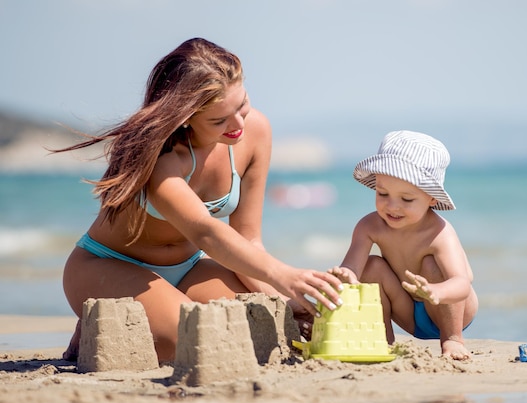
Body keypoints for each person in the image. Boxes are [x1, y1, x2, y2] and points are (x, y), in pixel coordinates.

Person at [55, 38, 344, 362]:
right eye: (219, 121)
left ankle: (151, 316)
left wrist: (285, 301)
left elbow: (247, 239)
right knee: (200, 344)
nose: (238, 125)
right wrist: (285, 275)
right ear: (186, 117)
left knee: (259, 333)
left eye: (242, 105)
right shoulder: (161, 157)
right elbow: (205, 231)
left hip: (192, 266)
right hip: (109, 265)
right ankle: (100, 325)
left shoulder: (257, 130)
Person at [328, 130, 478, 360]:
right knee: (371, 265)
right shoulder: (370, 226)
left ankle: (452, 340)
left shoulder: (440, 233)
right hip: (408, 311)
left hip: (450, 308)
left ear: (432, 199)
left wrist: (436, 291)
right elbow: (353, 268)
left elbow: (462, 285)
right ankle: (384, 340)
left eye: (406, 199)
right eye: (382, 193)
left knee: (432, 266)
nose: (392, 206)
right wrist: (346, 276)